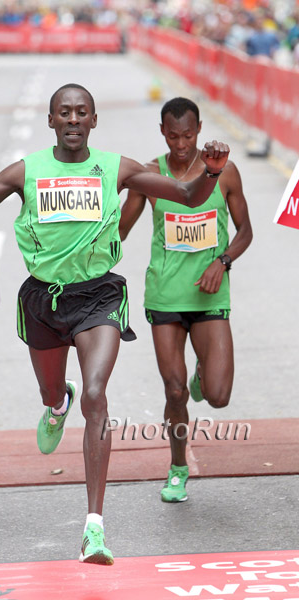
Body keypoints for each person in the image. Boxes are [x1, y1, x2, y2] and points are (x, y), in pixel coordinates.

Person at [0, 84, 230, 566]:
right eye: (64, 112)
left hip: (98, 296)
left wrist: (210, 173)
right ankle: (55, 402)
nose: (72, 119)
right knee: (56, 392)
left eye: (81, 112)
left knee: (96, 394)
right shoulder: (26, 172)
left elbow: (189, 196)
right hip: (43, 300)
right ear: (51, 121)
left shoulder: (117, 168)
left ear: (93, 120)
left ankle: (94, 528)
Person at [119, 97, 252, 504]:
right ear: (163, 132)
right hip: (165, 297)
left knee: (218, 396)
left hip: (210, 295)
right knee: (175, 392)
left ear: (199, 130)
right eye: (173, 136)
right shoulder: (149, 175)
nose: (181, 144)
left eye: (188, 136)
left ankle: (202, 372)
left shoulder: (224, 172)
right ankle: (178, 467)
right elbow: (120, 231)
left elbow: (245, 231)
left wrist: (222, 262)